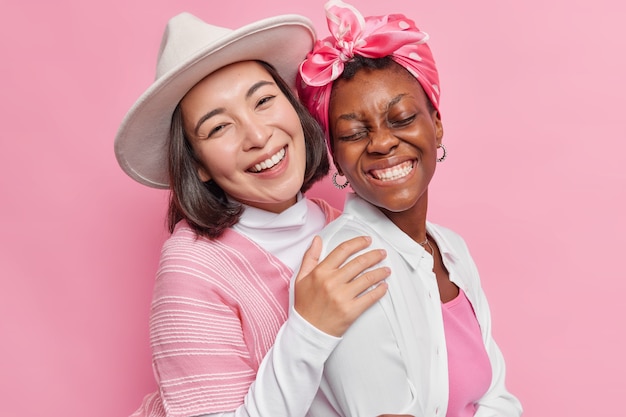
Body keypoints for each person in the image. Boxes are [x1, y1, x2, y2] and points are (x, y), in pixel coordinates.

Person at [114, 11, 391, 417]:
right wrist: (310, 327)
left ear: (294, 108)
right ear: (199, 164)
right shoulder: (194, 266)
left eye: (263, 101)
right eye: (219, 128)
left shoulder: (350, 225)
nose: (258, 136)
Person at [296, 1, 524, 416]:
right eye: (353, 132)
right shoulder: (345, 263)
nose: (382, 143)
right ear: (335, 154)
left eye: (401, 118)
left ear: (435, 122)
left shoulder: (452, 249)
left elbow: (499, 398)